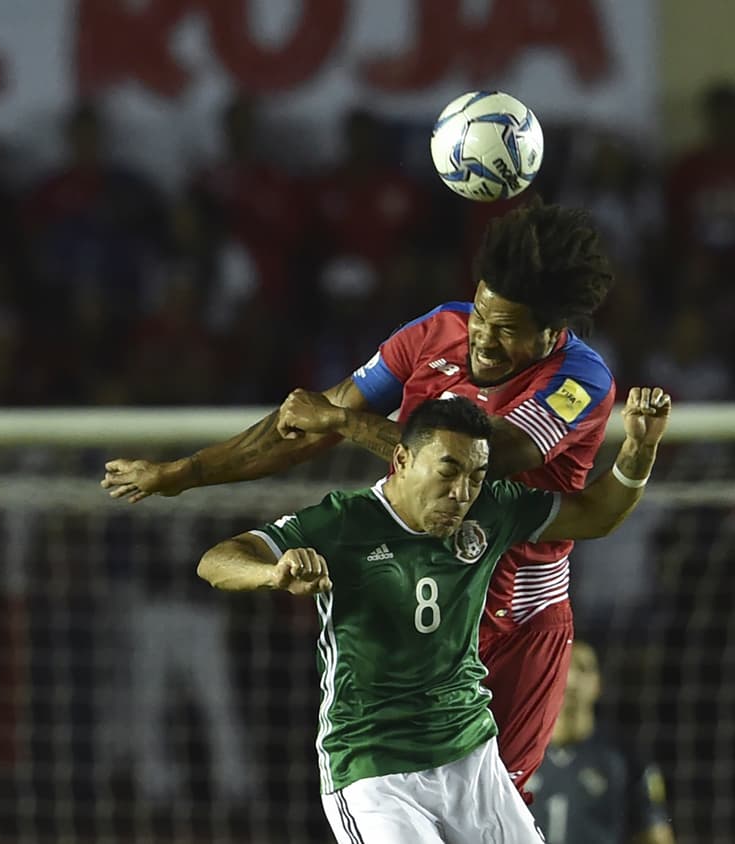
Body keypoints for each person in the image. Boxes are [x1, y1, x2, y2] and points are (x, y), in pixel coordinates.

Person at [103, 199, 616, 798]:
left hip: (518, 618)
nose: (484, 337)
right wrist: (184, 473)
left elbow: (485, 458)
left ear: (550, 332)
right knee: (393, 795)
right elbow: (305, 425)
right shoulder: (435, 333)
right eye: (481, 314)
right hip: (418, 605)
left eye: (507, 329)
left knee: (492, 808)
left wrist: (343, 422)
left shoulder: (580, 379)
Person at [195, 391, 671, 843]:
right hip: (375, 768)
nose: (461, 492)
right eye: (448, 471)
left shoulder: (491, 509)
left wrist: (640, 448)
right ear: (403, 460)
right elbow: (217, 560)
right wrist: (272, 572)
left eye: (476, 475)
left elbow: (595, 514)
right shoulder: (344, 522)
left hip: (470, 756)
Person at [527, 641, 676, 844]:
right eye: (561, 667)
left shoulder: (624, 757)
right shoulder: (514, 753)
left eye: (583, 668)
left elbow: (656, 836)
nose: (571, 679)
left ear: (599, 683)